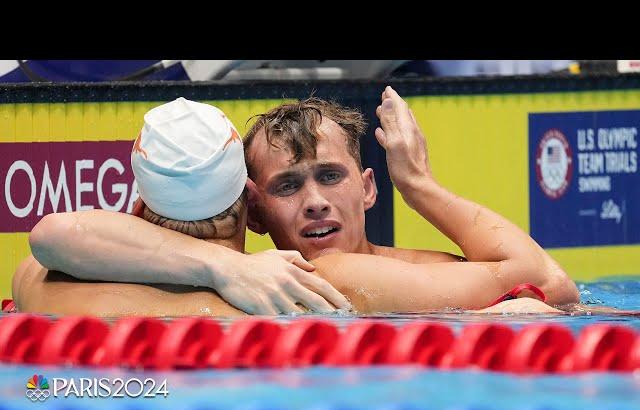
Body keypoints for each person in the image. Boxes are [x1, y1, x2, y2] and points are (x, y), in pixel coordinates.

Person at [22, 88, 580, 314]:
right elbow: (550, 284)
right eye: (288, 186)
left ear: (367, 186)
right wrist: (420, 185)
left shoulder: (399, 270)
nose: (314, 202)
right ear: (255, 211)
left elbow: (40, 254)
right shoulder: (327, 275)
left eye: (330, 176)